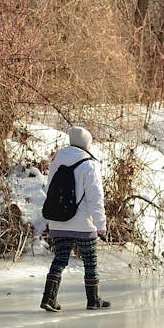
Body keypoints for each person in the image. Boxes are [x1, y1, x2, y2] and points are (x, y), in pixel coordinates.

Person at [40, 125, 111, 311]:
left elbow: (50, 190)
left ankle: (48, 298)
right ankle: (93, 300)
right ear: (87, 143)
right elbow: (95, 198)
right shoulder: (89, 164)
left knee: (60, 259)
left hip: (58, 220)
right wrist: (100, 224)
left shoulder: (57, 161)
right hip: (83, 225)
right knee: (90, 261)